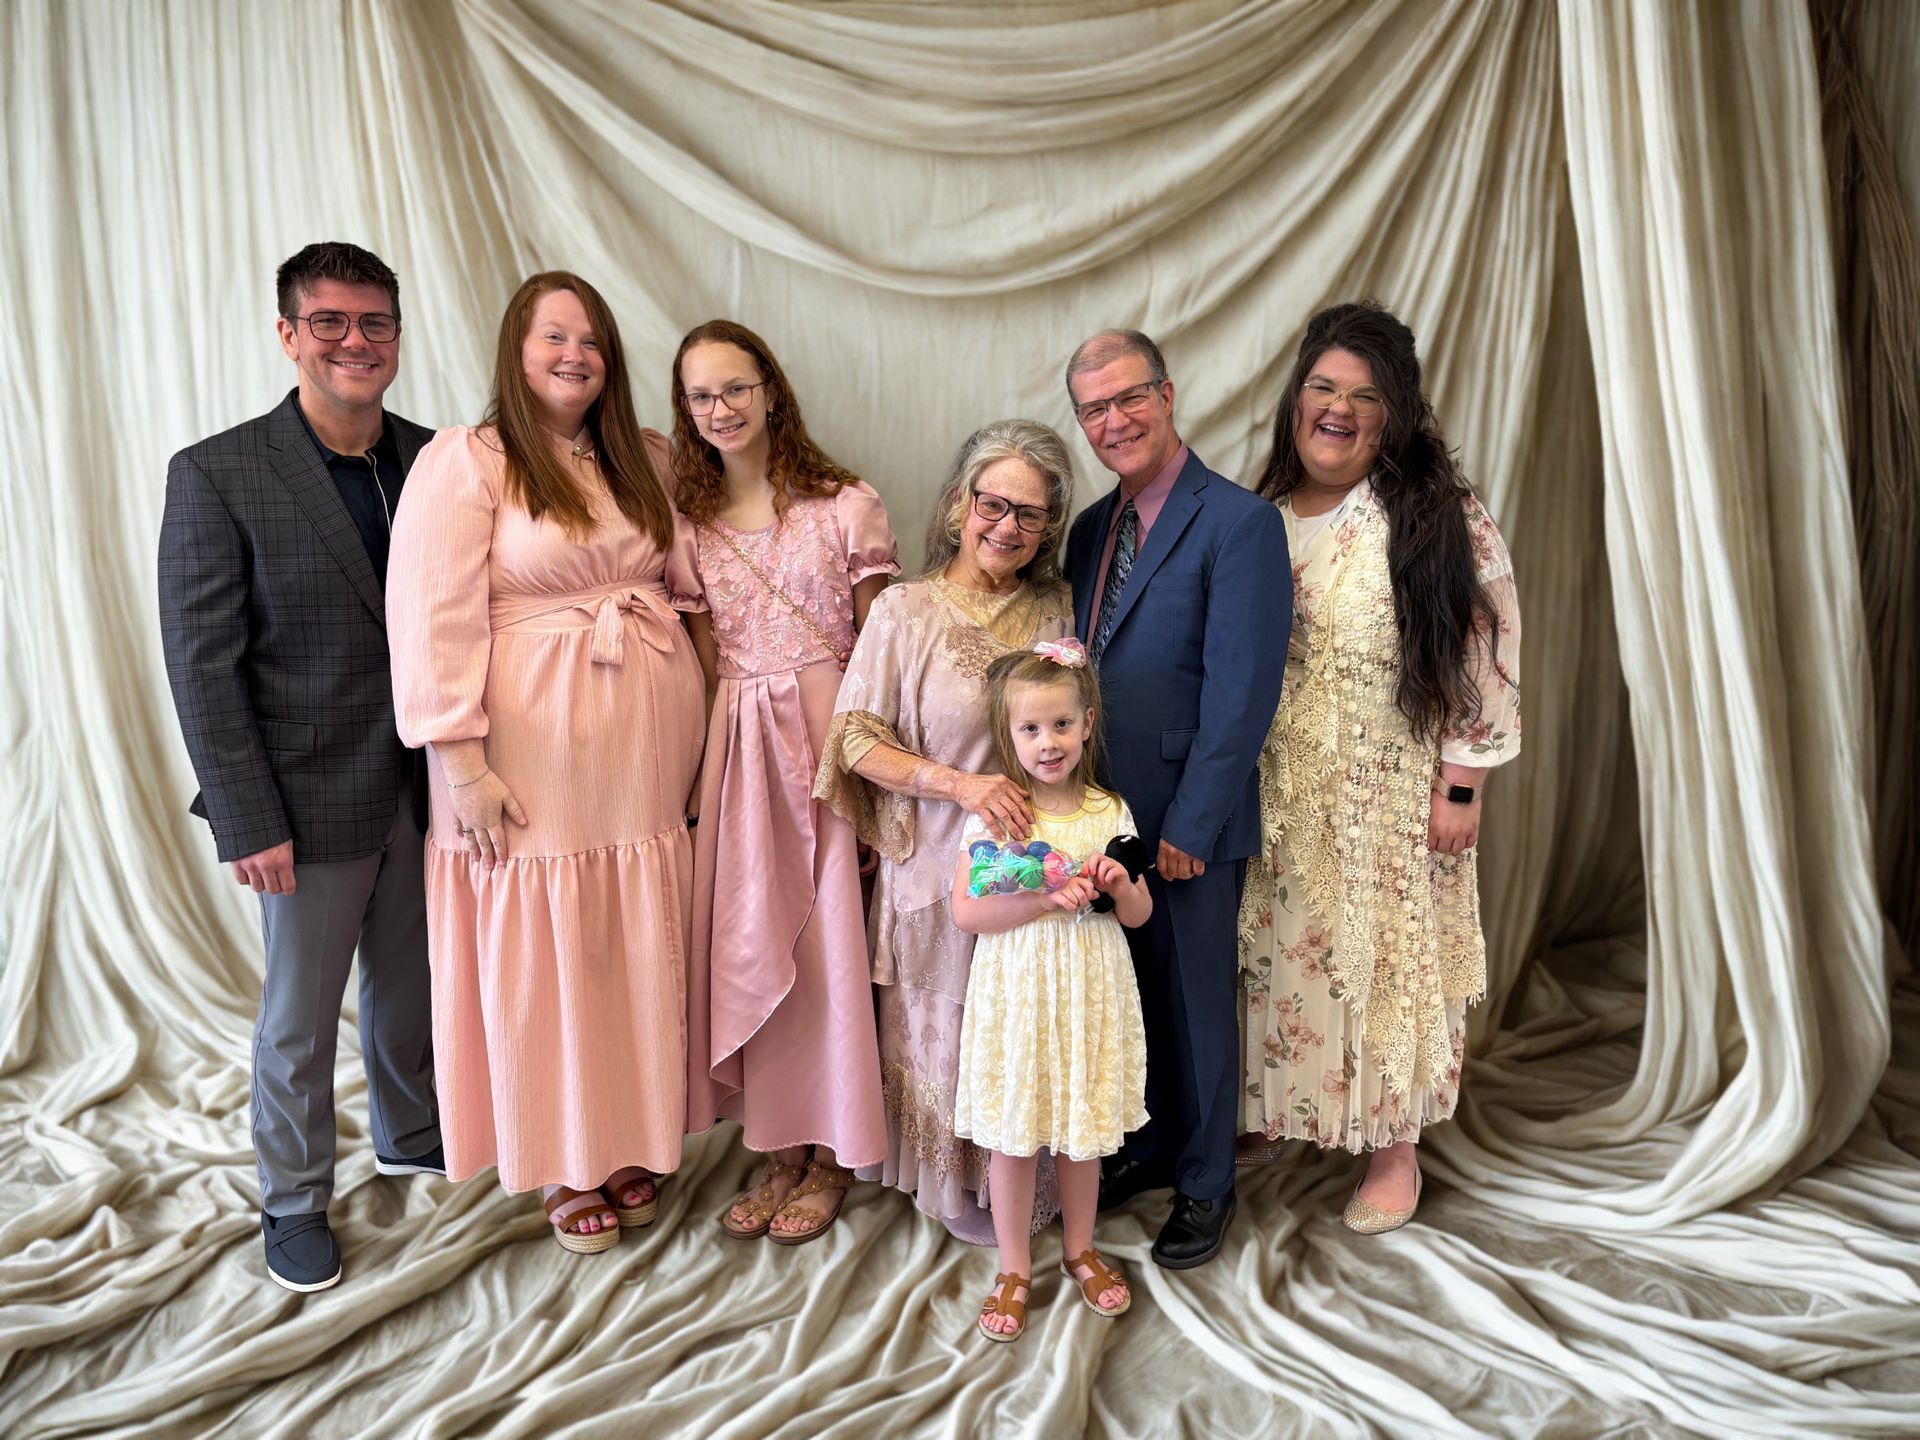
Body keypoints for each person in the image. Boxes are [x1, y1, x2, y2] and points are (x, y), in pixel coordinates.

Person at [386, 271, 705, 1254]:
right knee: (552, 951)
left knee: (624, 949)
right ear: (515, 352)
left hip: (645, 765)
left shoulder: (642, 459)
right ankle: (564, 1156)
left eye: (593, 341)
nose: (576, 355)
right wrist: (461, 764)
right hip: (530, 763)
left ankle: (627, 1134)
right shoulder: (466, 462)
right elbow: (429, 617)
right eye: (554, 337)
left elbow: (695, 584)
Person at [157, 241, 443, 1293]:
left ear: (398, 340)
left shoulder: (435, 459)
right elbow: (201, 665)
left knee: (410, 987)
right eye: (329, 322)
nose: (354, 341)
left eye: (373, 323)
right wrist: (247, 818)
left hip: (425, 787)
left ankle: (410, 1133)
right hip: (303, 801)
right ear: (289, 335)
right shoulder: (218, 473)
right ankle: (290, 1199)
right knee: (298, 1018)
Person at [1237, 301, 1521, 1232]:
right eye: (1323, 387)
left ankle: (1393, 1150)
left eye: (1364, 395)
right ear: (1296, 399)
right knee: (1284, 956)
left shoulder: (1436, 514)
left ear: (1396, 411)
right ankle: (1286, 1110)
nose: (1339, 409)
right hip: (1283, 787)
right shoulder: (1263, 513)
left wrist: (1461, 783)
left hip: (1390, 789)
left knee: (1390, 961)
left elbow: (1488, 644)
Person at [814, 419, 1076, 1244]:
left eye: (1029, 515)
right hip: (934, 865)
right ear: (961, 503)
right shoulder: (905, 609)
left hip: (1039, 863)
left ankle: (1029, 1186)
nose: (1007, 527)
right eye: (992, 504)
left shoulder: (1056, 607)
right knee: (951, 1031)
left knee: (1024, 1019)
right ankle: (954, 1183)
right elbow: (853, 738)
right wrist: (960, 787)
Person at [1062, 329, 1289, 1269]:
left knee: (1196, 1004)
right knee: (1134, 998)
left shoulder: (1237, 523)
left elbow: (1242, 693)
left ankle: (1205, 1184)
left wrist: (1194, 823)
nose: (1113, 422)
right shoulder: (1087, 530)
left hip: (1192, 817)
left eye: (1128, 399)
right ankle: (1150, 1147)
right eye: (1093, 410)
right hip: (1102, 812)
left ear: (1165, 393)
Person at [668, 319, 897, 1244]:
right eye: (699, 395)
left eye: (734, 387)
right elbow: (697, 659)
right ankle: (775, 1143)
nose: (719, 408)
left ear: (771, 389)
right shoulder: (686, 524)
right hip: (738, 752)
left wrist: (877, 785)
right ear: (684, 411)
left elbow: (883, 659)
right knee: (751, 938)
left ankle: (836, 1146)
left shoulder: (846, 506)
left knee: (832, 941)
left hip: (829, 739)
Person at [951, 640, 1150, 1342]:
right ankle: (1011, 1266)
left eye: (1061, 724)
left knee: (1081, 1136)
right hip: (1020, 990)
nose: (1048, 742)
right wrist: (1043, 900)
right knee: (1013, 1137)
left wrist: (1120, 884)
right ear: (1009, 738)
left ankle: (1079, 1248)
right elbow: (967, 913)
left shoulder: (1109, 809)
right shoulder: (1000, 821)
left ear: (1087, 724)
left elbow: (1140, 916)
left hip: (1089, 989)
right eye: (1030, 729)